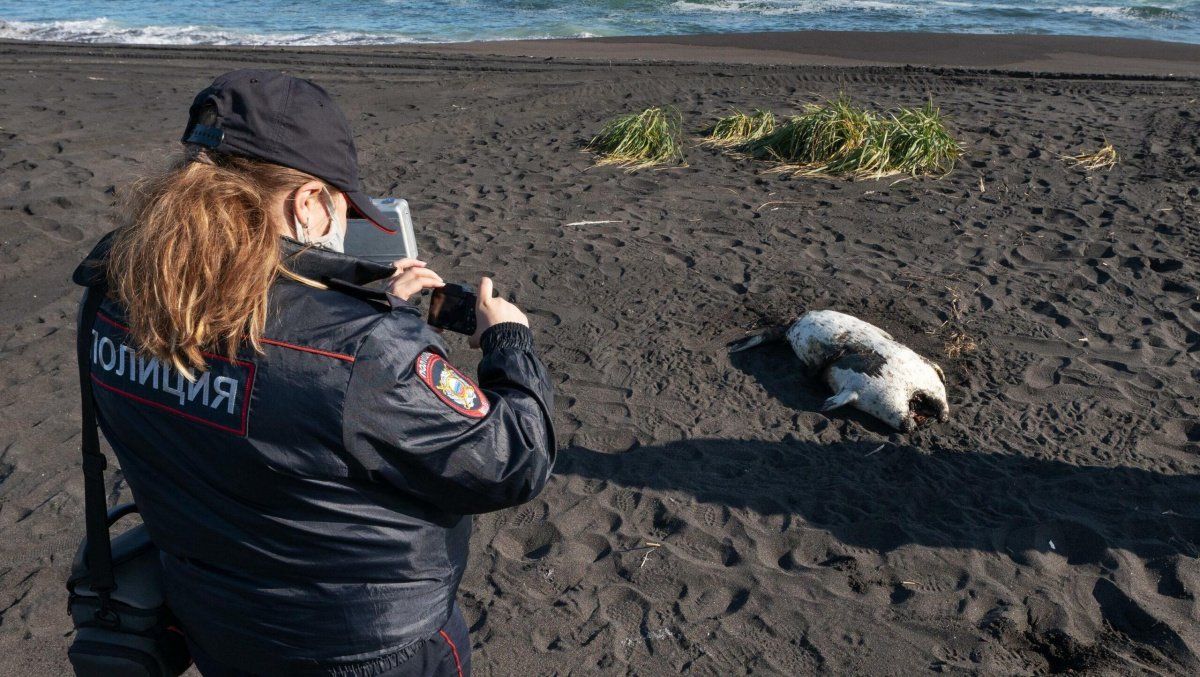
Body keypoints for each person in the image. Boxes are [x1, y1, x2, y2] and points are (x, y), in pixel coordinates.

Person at [72, 69, 556, 676]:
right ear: (307, 201)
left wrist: (381, 315)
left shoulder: (115, 296)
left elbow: (264, 378)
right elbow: (513, 461)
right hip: (365, 648)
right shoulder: (364, 351)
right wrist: (508, 341)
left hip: (219, 627)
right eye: (341, 209)